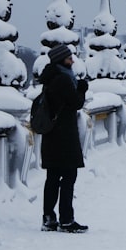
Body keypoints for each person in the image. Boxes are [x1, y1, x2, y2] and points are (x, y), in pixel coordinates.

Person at [39, 43, 89, 233]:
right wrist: (82, 88)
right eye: (69, 58)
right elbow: (76, 103)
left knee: (52, 177)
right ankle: (66, 219)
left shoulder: (50, 77)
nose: (73, 60)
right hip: (64, 136)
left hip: (52, 136)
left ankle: (49, 217)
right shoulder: (63, 79)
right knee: (69, 176)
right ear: (62, 60)